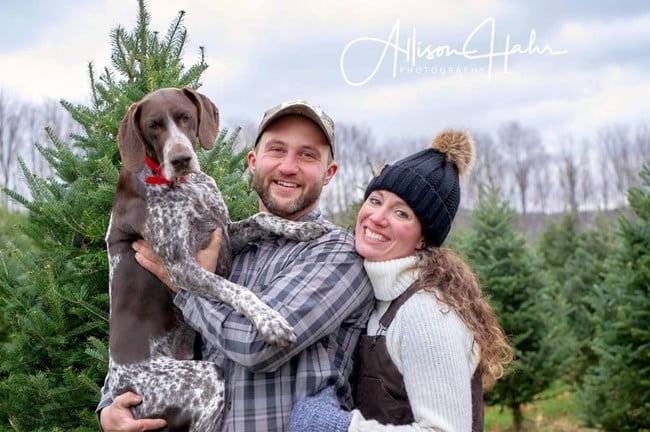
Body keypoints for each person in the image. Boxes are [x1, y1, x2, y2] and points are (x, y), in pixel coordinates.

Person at [97, 100, 374, 431]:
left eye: (307, 155)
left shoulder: (336, 253)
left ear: (329, 174)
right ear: (253, 162)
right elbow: (141, 339)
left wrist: (182, 286)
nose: (288, 166)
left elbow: (260, 346)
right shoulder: (231, 247)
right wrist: (109, 412)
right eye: (277, 150)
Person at [288, 129, 514, 432]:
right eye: (376, 200)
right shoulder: (378, 298)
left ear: (423, 238)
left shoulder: (426, 313)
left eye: (401, 213)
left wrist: (339, 427)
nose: (378, 217)